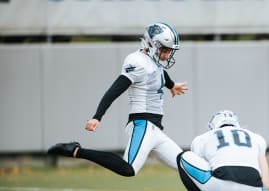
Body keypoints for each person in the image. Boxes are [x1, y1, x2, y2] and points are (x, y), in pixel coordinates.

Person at [47, 22, 188, 176]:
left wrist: (172, 85)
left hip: (155, 129)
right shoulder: (138, 62)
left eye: (169, 51)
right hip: (143, 124)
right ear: (151, 44)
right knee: (128, 169)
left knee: (186, 166)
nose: (167, 55)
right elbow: (115, 90)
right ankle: (75, 151)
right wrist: (97, 116)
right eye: (165, 49)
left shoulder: (153, 63)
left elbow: (158, 72)